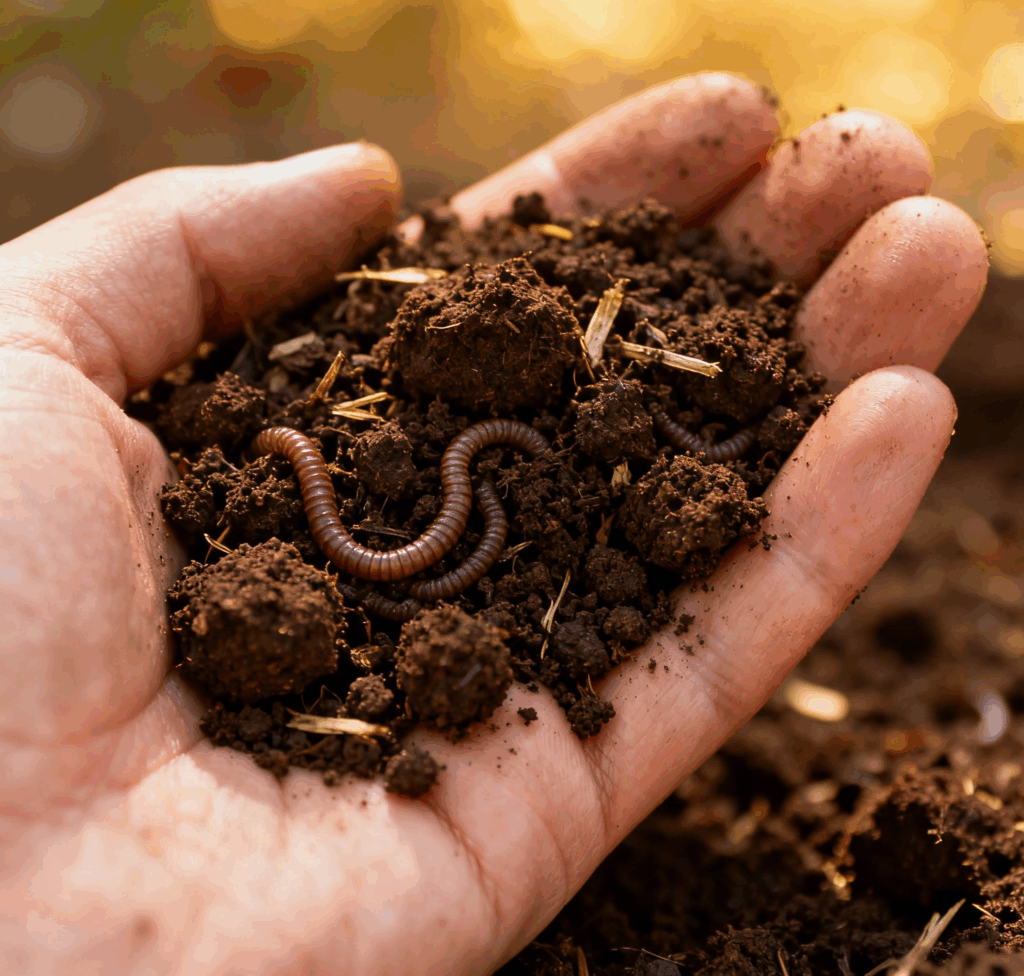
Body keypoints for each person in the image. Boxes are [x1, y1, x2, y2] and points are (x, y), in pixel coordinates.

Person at [0, 72, 987, 974]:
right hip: (413, 553)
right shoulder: (384, 505)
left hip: (439, 532)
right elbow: (391, 548)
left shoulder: (480, 478)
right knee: (431, 539)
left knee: (445, 527)